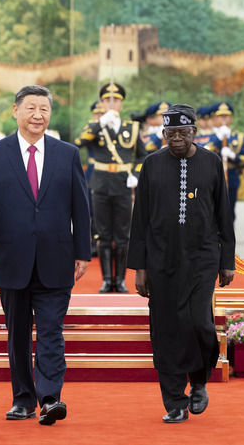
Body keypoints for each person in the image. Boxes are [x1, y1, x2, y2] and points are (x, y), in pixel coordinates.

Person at [0, 85, 91, 426]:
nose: (38, 115)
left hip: (57, 257)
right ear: (15, 111)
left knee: (52, 330)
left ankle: (50, 397)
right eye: (31, 108)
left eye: (44, 109)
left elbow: (81, 206)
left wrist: (83, 251)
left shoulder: (67, 154)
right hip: (11, 258)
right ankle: (23, 400)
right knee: (19, 334)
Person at [127, 104, 235, 424]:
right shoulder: (151, 164)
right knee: (166, 329)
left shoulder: (211, 163)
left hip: (202, 258)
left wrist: (226, 261)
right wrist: (140, 267)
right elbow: (140, 219)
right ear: (163, 134)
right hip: (161, 259)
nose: (176, 138)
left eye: (182, 133)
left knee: (199, 323)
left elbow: (224, 214)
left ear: (194, 133)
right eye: (170, 133)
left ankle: (199, 380)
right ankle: (174, 400)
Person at [74, 83, 147, 293]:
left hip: (123, 184)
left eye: (116, 100)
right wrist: (100, 124)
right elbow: (78, 143)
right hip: (101, 184)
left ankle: (120, 280)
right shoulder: (94, 127)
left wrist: (135, 174)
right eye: (107, 100)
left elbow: (142, 155)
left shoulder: (131, 128)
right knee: (103, 234)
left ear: (121, 103)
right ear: (102, 103)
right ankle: (107, 280)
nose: (112, 104)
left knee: (123, 235)